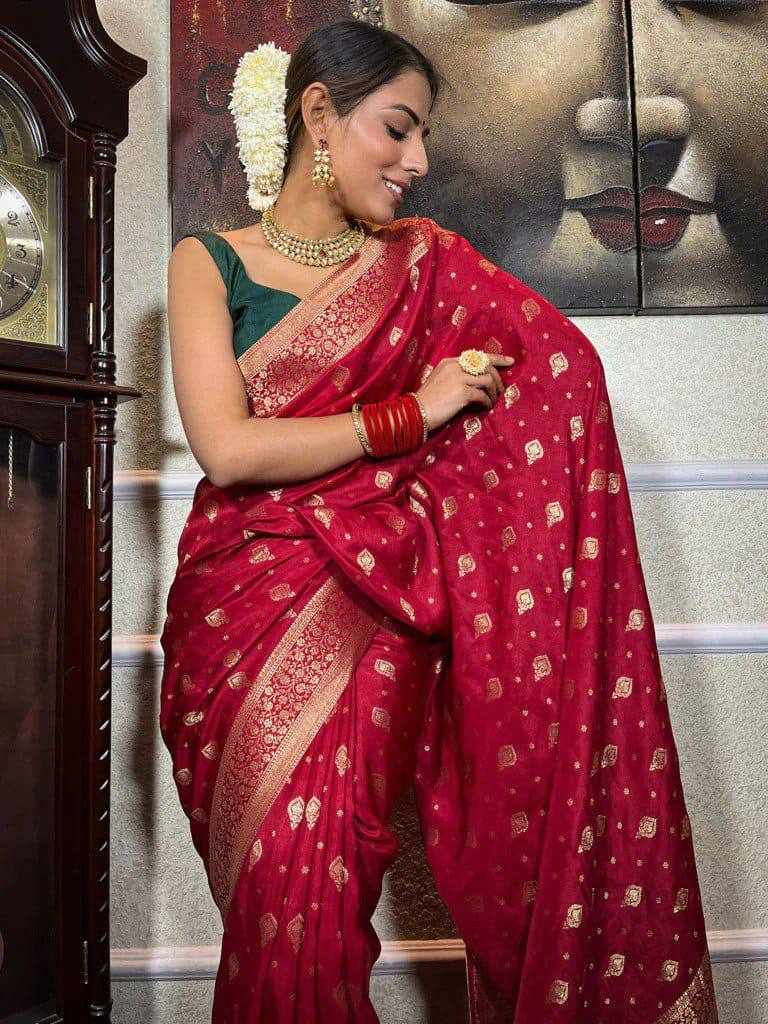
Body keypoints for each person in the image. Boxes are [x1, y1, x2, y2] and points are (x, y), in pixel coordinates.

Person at [159, 18, 719, 1024]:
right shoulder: (208, 262)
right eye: (398, 128)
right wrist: (412, 415)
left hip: (373, 611)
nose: (417, 161)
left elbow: (565, 376)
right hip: (238, 611)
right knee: (274, 912)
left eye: (422, 137)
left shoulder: (426, 267)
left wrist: (466, 484)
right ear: (318, 114)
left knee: (327, 908)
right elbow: (229, 449)